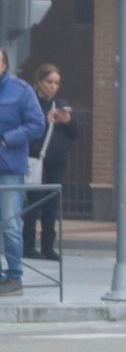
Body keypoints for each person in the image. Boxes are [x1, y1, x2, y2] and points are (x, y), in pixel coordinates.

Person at [0, 46, 47, 298]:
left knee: (9, 223)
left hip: (9, 167)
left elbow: (37, 124)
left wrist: (7, 139)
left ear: (5, 65)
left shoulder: (21, 91)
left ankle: (14, 275)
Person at [23, 64, 74, 260]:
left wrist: (67, 120)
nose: (53, 87)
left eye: (56, 83)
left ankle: (48, 247)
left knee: (51, 207)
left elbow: (74, 134)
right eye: (49, 82)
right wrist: (46, 119)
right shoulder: (31, 103)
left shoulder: (60, 104)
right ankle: (28, 246)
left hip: (56, 165)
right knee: (33, 204)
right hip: (37, 161)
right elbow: (31, 130)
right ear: (39, 82)